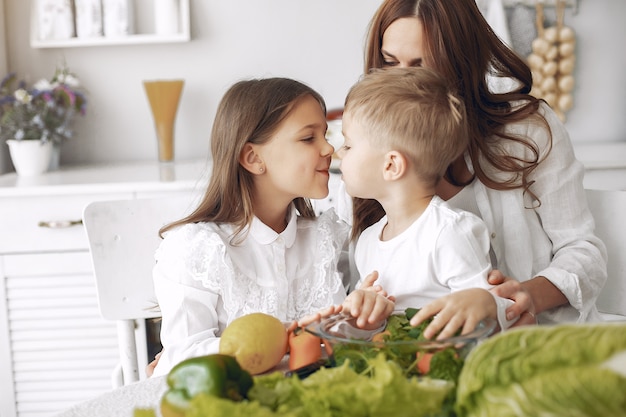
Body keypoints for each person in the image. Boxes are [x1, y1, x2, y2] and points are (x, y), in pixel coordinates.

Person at [343, 0, 607, 336]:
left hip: (532, 339)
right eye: (389, 63)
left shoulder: (528, 129)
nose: (402, 80)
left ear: (461, 62)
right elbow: (359, 293)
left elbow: (583, 250)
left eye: (421, 65)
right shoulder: (365, 154)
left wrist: (525, 297)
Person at [150, 77, 393, 377]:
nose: (329, 148)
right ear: (253, 158)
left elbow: (339, 346)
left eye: (325, 135)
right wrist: (281, 339)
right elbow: (179, 361)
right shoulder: (195, 250)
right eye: (308, 138)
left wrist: (362, 320)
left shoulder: (327, 240)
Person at [339, 66, 515, 339]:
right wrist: (366, 308)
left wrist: (486, 301)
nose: (339, 152)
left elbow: (486, 314)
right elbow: (367, 330)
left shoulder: (449, 233)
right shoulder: (368, 241)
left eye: (348, 145)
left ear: (391, 165)